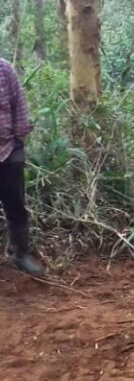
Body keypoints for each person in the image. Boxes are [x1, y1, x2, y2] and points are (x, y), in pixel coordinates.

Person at [0, 58, 44, 276]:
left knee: (16, 206)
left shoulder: (5, 70)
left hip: (8, 149)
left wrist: (18, 141)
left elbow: (19, 107)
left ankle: (21, 255)